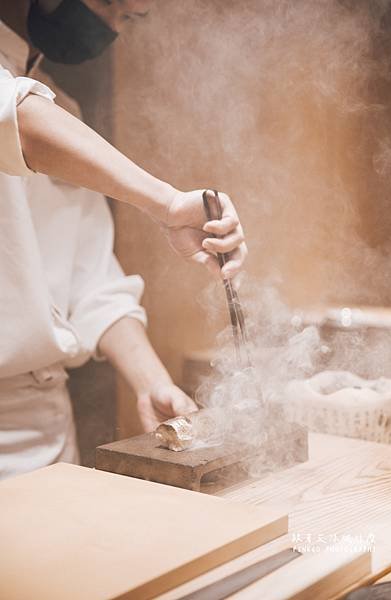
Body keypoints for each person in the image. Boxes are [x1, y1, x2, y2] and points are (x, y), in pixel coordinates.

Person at [0, 0, 247, 479]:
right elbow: (15, 122)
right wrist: (170, 204)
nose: (112, 27)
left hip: (47, 430)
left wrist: (152, 382)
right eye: (112, 5)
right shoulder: (35, 120)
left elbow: (92, 285)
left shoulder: (61, 113)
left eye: (129, 18)